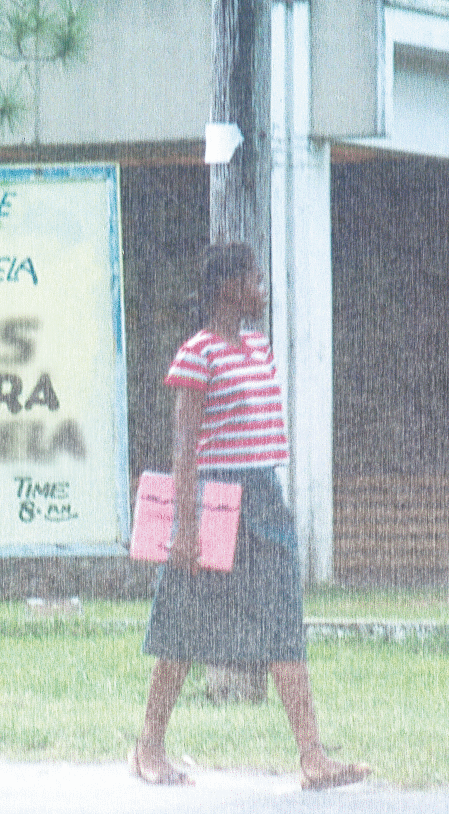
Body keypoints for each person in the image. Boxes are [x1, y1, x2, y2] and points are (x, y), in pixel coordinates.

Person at [129, 242, 370, 791]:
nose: (261, 290)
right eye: (253, 281)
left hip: (265, 493)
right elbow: (184, 446)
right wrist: (184, 529)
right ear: (226, 287)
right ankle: (148, 747)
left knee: (284, 621)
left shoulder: (258, 347)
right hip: (214, 499)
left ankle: (313, 757)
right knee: (182, 626)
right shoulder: (197, 353)